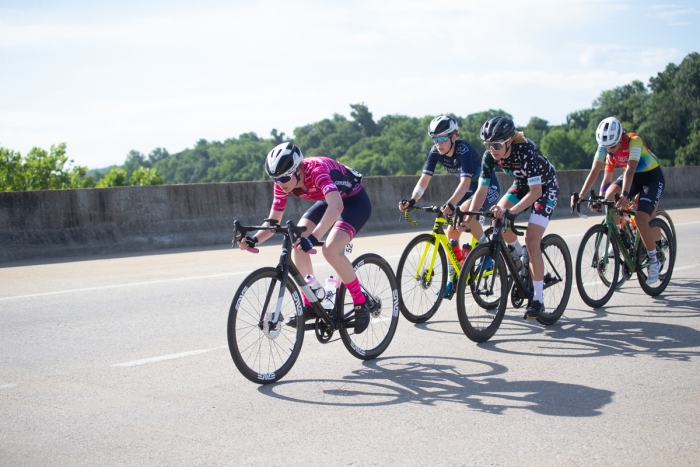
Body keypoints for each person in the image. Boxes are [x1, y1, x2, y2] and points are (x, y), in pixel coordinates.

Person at [237, 142, 376, 333]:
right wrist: (254, 239)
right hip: (327, 201)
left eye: (284, 178)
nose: (280, 183)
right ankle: (311, 301)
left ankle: (361, 302)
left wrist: (313, 237)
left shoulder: (316, 171)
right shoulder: (282, 184)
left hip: (353, 202)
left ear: (297, 171)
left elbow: (337, 206)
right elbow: (273, 223)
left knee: (330, 249)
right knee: (297, 241)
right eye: (275, 179)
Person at [460, 116, 560, 319]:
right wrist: (469, 218)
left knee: (532, 239)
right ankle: (519, 260)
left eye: (496, 145)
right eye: (488, 145)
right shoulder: (489, 156)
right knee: (498, 219)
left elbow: (535, 191)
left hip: (545, 187)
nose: (492, 150)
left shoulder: (525, 150)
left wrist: (512, 212)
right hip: (522, 185)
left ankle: (538, 300)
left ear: (508, 142)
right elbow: (481, 191)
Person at [398, 115, 500, 296]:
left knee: (466, 213)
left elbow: (466, 183)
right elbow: (425, 179)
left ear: (454, 137)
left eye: (443, 138)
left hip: (487, 186)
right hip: (469, 190)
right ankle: (454, 279)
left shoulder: (464, 149)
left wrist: (451, 203)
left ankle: (488, 254)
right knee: (452, 233)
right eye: (435, 139)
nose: (438, 143)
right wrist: (413, 199)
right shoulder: (436, 152)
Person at [571, 116, 665, 284]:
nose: (611, 151)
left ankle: (654, 260)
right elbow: (598, 172)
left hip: (651, 178)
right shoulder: (605, 147)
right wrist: (583, 195)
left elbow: (629, 171)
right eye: (607, 148)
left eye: (613, 146)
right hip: (634, 178)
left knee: (642, 218)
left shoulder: (633, 141)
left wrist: (625, 195)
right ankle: (619, 236)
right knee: (608, 198)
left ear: (621, 136)